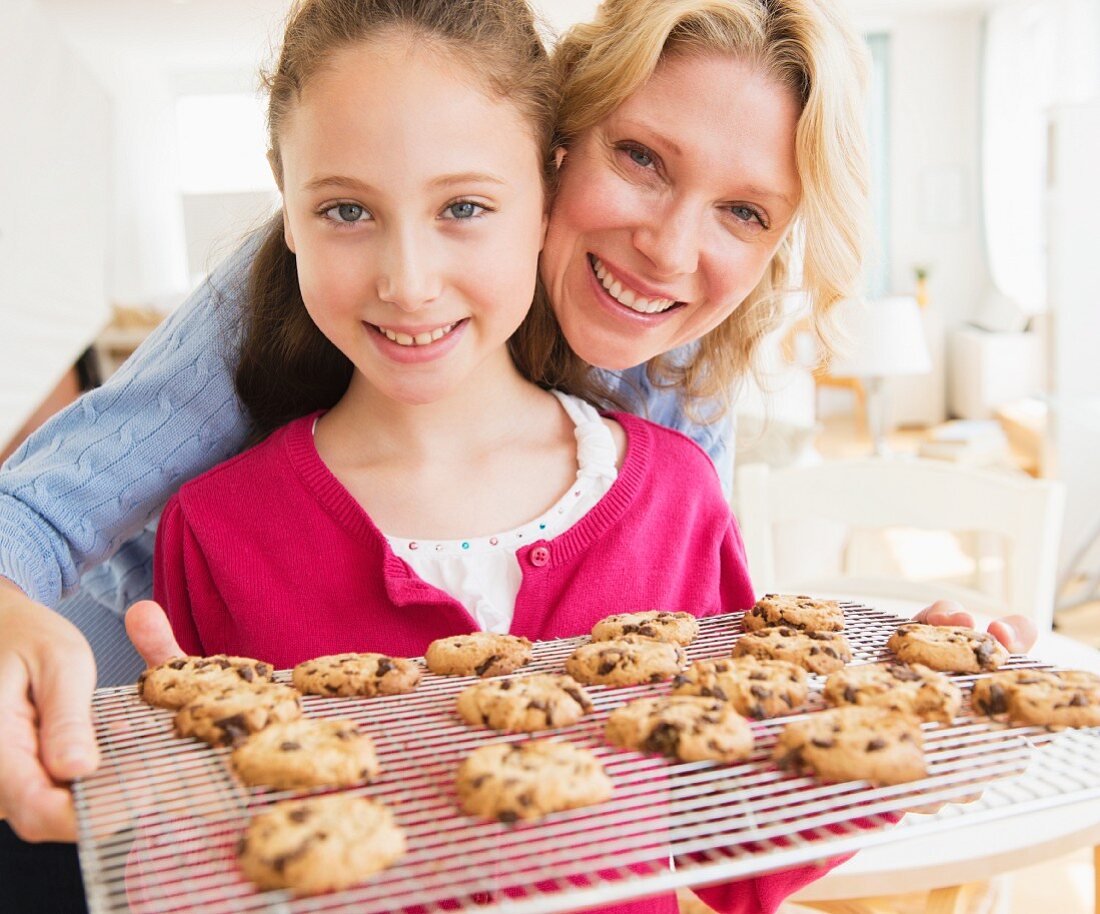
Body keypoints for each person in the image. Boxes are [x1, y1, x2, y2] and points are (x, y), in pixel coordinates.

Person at [0, 0, 1036, 856]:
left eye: (745, 213)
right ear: (554, 152)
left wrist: (906, 708)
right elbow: (37, 513)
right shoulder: (294, 289)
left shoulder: (679, 405)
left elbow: (699, 741)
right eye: (639, 156)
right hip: (69, 739)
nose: (668, 251)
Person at [131, 1, 843, 912]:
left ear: (547, 188)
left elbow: (750, 853)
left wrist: (921, 714)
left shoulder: (675, 495)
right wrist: (184, 832)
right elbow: (176, 866)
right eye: (346, 209)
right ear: (286, 197)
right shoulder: (214, 527)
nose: (409, 282)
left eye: (463, 206)